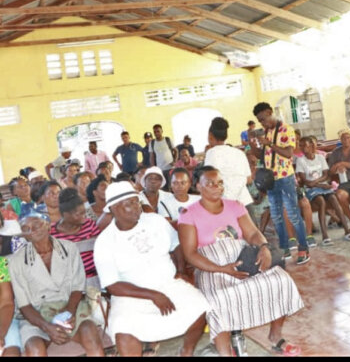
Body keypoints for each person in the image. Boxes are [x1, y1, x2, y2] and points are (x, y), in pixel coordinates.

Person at [178, 167, 304, 356]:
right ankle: (224, 351)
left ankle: (276, 337)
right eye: (210, 183)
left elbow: (252, 233)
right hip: (211, 267)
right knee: (218, 299)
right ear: (197, 186)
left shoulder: (234, 206)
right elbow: (190, 254)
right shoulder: (189, 213)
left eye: (220, 183)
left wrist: (263, 247)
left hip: (241, 260)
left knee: (280, 280)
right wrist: (220, 268)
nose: (217, 187)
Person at [92, 182, 209, 357]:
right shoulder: (105, 241)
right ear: (114, 208)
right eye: (130, 204)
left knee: (201, 307)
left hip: (168, 284)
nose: (137, 207)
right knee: (122, 330)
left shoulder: (154, 220)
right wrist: (154, 295)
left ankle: (187, 351)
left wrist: (181, 270)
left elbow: (176, 245)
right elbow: (112, 285)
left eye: (137, 202)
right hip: (130, 296)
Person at [8, 209, 104, 356]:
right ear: (23, 235)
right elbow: (24, 305)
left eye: (36, 224)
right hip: (37, 315)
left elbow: (77, 287)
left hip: (70, 307)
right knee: (34, 348)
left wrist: (69, 313)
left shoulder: (69, 248)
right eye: (26, 229)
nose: (32, 231)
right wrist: (47, 327)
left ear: (48, 225)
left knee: (90, 335)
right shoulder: (16, 262)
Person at [251, 102, 310, 264]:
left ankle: (303, 248)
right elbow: (262, 157)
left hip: (285, 178)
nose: (262, 123)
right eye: (260, 121)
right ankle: (285, 248)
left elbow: (288, 153)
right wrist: (252, 143)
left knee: (292, 214)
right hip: (271, 179)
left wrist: (269, 143)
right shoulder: (267, 132)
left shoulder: (286, 129)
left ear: (270, 113)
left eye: (264, 119)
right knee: (277, 216)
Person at [296, 137, 348, 245]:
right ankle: (325, 235)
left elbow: (326, 175)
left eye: (304, 145)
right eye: (300, 146)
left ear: (311, 146)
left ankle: (347, 230)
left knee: (334, 199)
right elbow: (306, 182)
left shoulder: (320, 158)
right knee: (321, 202)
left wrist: (318, 183)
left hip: (322, 186)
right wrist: (320, 184)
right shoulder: (300, 160)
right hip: (311, 190)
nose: (301, 148)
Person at [51, 188, 102, 291]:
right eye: (79, 214)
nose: (84, 217)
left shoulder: (89, 225)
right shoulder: (51, 233)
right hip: (68, 284)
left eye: (84, 213)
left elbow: (102, 250)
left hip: (97, 278)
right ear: (65, 214)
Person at [203, 117, 253, 206]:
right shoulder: (239, 153)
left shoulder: (211, 153)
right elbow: (249, 179)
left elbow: (209, 179)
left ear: (210, 135)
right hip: (245, 202)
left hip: (226, 204)